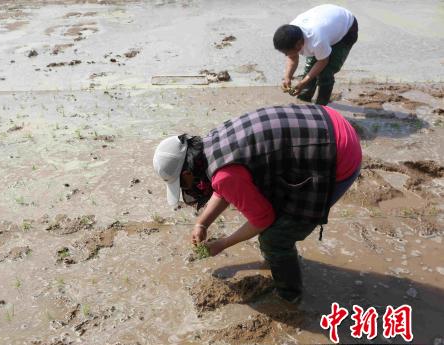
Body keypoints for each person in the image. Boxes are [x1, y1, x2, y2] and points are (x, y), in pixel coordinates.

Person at [153, 104, 362, 303]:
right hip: (326, 120)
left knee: (275, 237)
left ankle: (290, 296)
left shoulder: (224, 175)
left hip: (339, 154)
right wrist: (202, 223)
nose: (184, 189)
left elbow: (262, 218)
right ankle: (276, 261)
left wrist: (222, 244)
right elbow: (227, 181)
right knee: (272, 210)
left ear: (188, 173)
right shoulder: (210, 143)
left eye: (181, 184)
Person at [273, 4, 358, 105]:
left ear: (298, 44)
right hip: (328, 21)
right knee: (310, 69)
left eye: (287, 52)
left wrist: (303, 83)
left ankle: (322, 106)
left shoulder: (316, 40)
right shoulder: (291, 33)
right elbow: (292, 57)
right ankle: (304, 99)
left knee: (326, 72)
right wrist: (287, 77)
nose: (286, 55)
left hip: (347, 28)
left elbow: (323, 61)